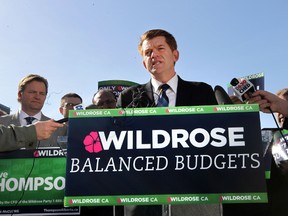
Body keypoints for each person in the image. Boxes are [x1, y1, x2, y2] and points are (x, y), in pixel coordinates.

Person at [117, 29, 218, 216]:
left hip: (192, 198)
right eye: (148, 53)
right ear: (143, 63)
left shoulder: (202, 91)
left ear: (175, 55)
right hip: (142, 199)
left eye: (160, 48)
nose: (153, 54)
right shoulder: (128, 97)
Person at [0, 74, 66, 147]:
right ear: (19, 94)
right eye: (32, 92)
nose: (37, 97)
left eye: (42, 93)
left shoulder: (60, 129)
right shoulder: (2, 122)